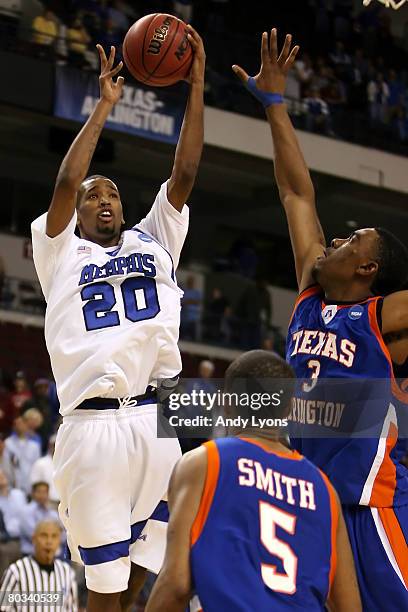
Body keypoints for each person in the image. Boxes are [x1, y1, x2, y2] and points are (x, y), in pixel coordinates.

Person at [30, 26, 205, 612]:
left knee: (151, 574)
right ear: (77, 213)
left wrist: (196, 86)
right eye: (91, 195)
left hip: (157, 418)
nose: (102, 199)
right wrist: (104, 107)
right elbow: (62, 182)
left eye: (111, 194)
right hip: (93, 426)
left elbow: (183, 176)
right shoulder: (59, 253)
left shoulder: (153, 241)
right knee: (103, 587)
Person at [233, 29, 408, 609]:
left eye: (351, 238)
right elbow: (296, 194)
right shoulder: (311, 292)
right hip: (310, 501)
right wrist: (275, 103)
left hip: (369, 507)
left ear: (367, 268)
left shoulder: (385, 318)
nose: (334, 238)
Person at [146, 350, 361, 611]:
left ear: (226, 401)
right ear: (290, 410)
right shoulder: (324, 490)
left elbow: (175, 584)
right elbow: (349, 606)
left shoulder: (204, 462)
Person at [0, 520, 78, 611]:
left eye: (54, 536)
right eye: (44, 536)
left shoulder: (67, 573)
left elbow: (72, 608)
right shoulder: (16, 571)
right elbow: (3, 608)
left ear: (59, 541)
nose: (49, 541)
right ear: (33, 539)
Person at [19, 482, 60, 556]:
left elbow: (61, 534)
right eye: (39, 492)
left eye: (45, 492)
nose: (42, 495)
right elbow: (33, 534)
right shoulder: (26, 511)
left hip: (53, 553)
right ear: (33, 493)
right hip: (30, 552)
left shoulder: (53, 513)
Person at [4, 417, 41, 495]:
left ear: (26, 425)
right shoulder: (7, 443)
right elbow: (6, 464)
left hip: (30, 483)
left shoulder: (34, 446)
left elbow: (36, 466)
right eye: (16, 424)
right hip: (14, 483)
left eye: (21, 423)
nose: (18, 426)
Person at [0, 468, 26, 577]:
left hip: (25, 538)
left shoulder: (19, 494)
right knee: (3, 551)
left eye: (2, 473)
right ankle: (6, 588)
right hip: (5, 541)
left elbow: (27, 516)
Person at [30, 434, 59, 508]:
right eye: (54, 445)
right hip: (47, 503)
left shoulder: (66, 463)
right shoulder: (41, 463)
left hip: (64, 503)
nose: (56, 447)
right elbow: (35, 484)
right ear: (50, 446)